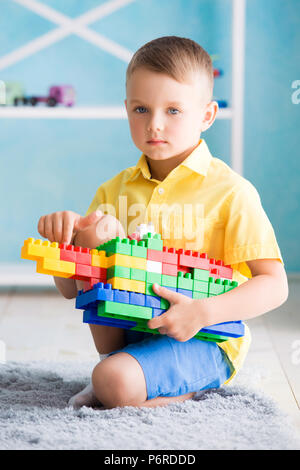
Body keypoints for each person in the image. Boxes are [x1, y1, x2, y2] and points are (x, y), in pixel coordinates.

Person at [38, 36, 288, 410]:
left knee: (111, 382)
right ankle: (125, 376)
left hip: (204, 337)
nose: (154, 125)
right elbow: (72, 290)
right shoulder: (114, 189)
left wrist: (203, 312)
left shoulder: (231, 192)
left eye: (173, 110)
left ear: (206, 115)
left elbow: (275, 286)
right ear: (127, 109)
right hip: (131, 333)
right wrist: (67, 240)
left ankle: (153, 390)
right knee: (95, 235)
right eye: (141, 109)